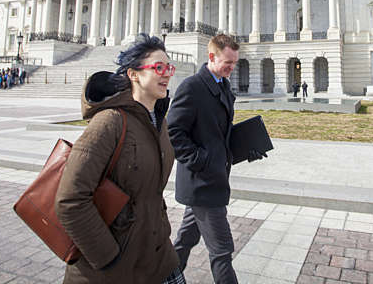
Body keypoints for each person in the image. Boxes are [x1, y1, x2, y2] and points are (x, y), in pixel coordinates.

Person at [55, 34, 184, 284]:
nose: (167, 73)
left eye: (169, 67)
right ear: (134, 75)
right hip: (111, 267)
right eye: (159, 67)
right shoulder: (110, 122)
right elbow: (70, 199)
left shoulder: (159, 122)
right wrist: (108, 257)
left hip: (156, 253)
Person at [168, 34, 266, 284]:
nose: (232, 68)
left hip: (213, 177)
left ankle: (165, 277)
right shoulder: (192, 87)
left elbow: (221, 134)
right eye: (228, 63)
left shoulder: (222, 85)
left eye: (235, 63)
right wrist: (202, 161)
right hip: (202, 182)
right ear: (211, 57)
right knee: (222, 251)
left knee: (186, 239)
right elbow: (173, 133)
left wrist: (245, 148)